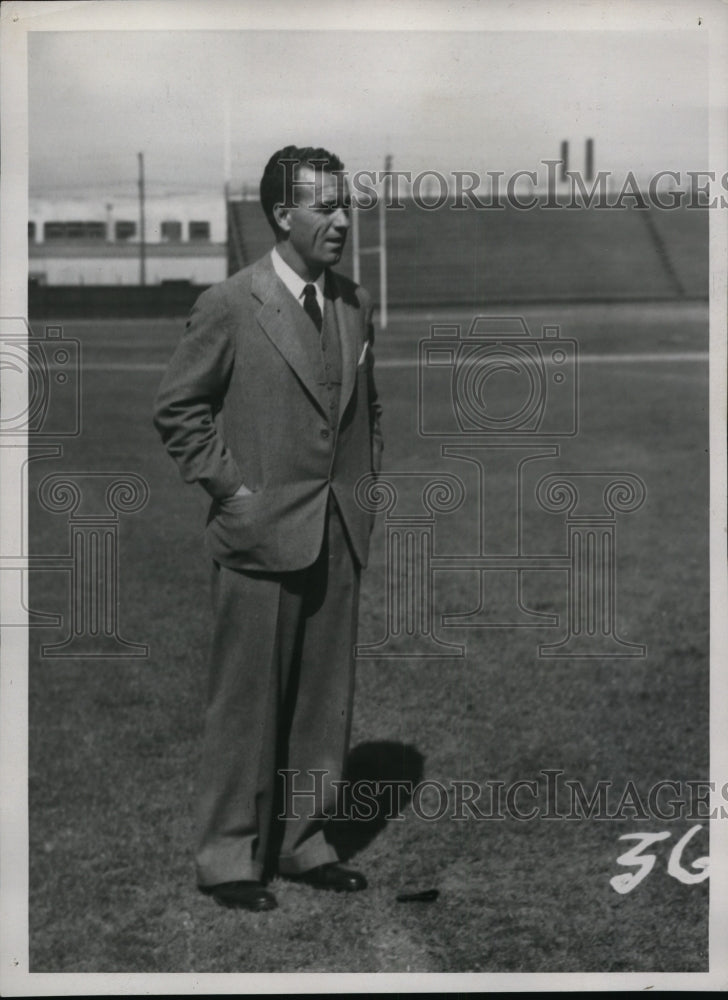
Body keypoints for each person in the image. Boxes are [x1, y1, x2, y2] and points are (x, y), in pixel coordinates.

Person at [153, 146, 383, 912]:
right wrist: (234, 493)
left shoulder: (353, 302)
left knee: (324, 701)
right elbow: (179, 409)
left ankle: (304, 842)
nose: (343, 220)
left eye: (346, 205)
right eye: (326, 207)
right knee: (245, 706)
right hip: (259, 537)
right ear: (283, 215)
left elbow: (367, 411)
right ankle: (227, 858)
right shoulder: (230, 302)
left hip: (337, 532)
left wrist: (362, 492)